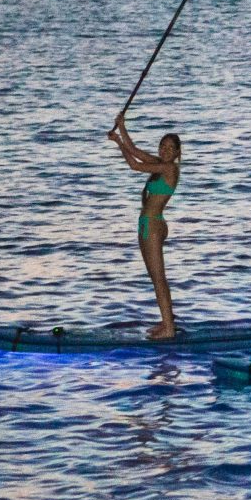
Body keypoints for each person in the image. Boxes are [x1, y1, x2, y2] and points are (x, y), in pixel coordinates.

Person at [108, 113, 181, 340]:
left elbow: (134, 165)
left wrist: (118, 142)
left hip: (152, 224)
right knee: (156, 277)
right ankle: (166, 321)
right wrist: (122, 127)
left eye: (170, 148)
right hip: (149, 223)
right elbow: (137, 152)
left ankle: (168, 328)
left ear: (177, 153)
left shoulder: (169, 170)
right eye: (163, 146)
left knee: (158, 278)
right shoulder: (160, 165)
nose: (165, 150)